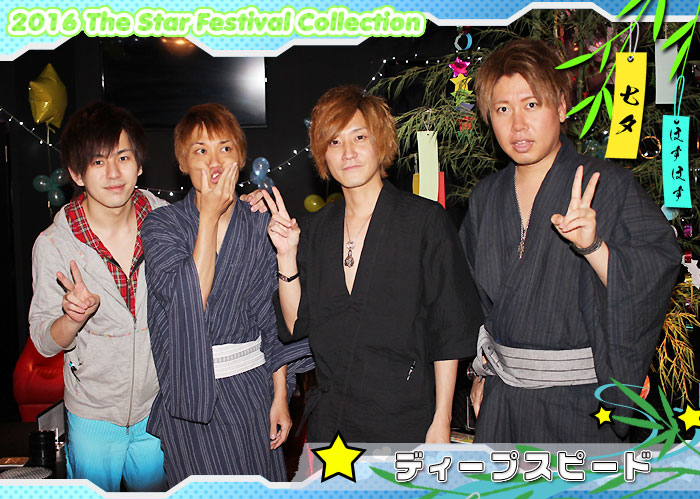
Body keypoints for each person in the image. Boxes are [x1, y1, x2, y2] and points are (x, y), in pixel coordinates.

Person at [461, 38, 680, 442]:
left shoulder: (607, 186)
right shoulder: (485, 198)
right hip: (503, 404)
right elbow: (474, 303)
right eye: (502, 109)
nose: (517, 125)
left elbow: (657, 269)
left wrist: (594, 248)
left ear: (561, 106)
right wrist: (482, 371)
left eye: (531, 104)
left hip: (581, 407)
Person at [260, 85, 482, 443]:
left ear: (381, 142)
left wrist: (441, 419)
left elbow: (448, 329)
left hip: (405, 420)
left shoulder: (423, 221)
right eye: (334, 142)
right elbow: (295, 324)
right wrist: (286, 255)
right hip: (333, 425)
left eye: (359, 137)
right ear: (323, 154)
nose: (347, 152)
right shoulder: (315, 229)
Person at [140, 103, 311, 486]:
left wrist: (280, 395)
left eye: (225, 148)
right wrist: (208, 216)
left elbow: (272, 319)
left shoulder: (260, 224)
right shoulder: (161, 225)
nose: (214, 160)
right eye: (200, 150)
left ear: (241, 157)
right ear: (182, 162)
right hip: (191, 400)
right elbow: (188, 299)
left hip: (251, 393)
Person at [28, 102, 167, 491]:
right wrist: (72, 318)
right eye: (98, 161)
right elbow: (43, 340)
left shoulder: (167, 222)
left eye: (123, 157)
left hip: (158, 408)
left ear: (139, 163)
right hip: (92, 415)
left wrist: (242, 206)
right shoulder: (53, 244)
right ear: (76, 173)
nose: (113, 173)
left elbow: (213, 227)